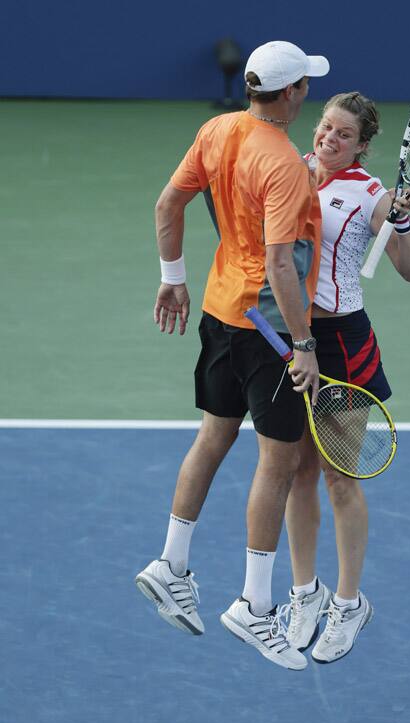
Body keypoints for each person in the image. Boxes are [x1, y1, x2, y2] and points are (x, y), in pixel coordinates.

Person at [135, 41, 330, 671]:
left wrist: (173, 276)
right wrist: (303, 344)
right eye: (306, 85)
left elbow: (168, 203)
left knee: (211, 439)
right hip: (269, 331)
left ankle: (171, 562)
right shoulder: (284, 165)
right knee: (278, 463)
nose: (309, 93)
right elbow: (280, 263)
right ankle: (254, 605)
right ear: (293, 92)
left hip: (220, 313)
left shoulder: (218, 129)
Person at [283, 92, 410, 663]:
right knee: (295, 471)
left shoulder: (372, 196)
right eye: (325, 127)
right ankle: (303, 594)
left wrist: (402, 220)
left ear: (363, 146)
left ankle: (347, 603)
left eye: (344, 135)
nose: (328, 138)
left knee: (340, 477)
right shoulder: (292, 171)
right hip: (293, 337)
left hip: (342, 344)